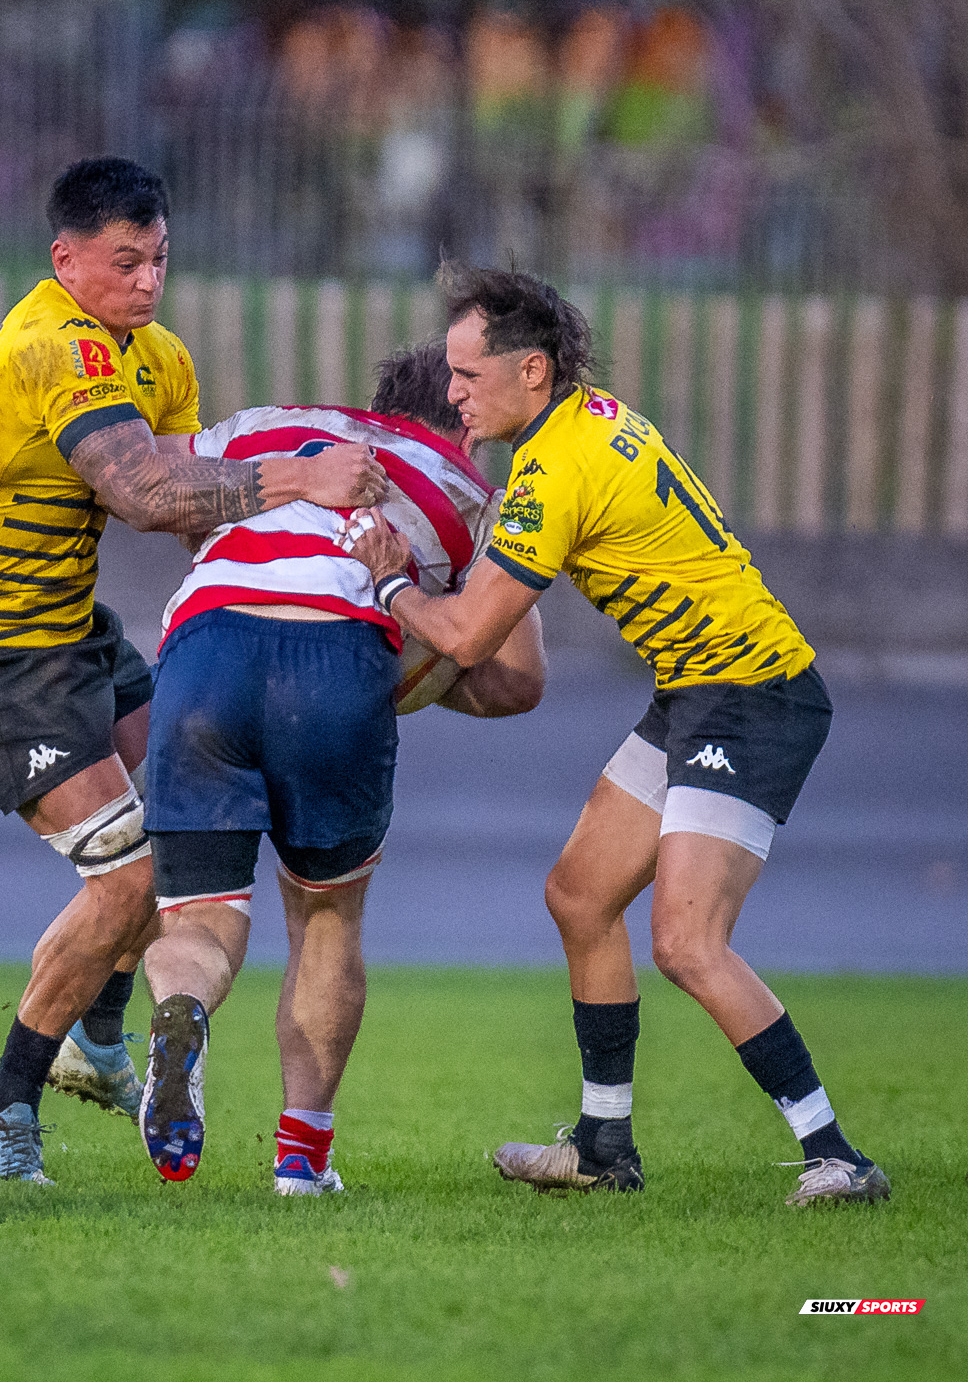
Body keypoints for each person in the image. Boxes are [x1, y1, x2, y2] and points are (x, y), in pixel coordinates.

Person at [344, 262, 889, 1209]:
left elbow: (472, 636)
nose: (454, 393)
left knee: (685, 941)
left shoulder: (553, 469)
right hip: (697, 689)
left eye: (470, 375)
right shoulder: (589, 418)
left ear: (535, 372)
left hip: (753, 691)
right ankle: (603, 1148)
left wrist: (393, 584)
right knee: (580, 896)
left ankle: (837, 1156)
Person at [0, 155, 386, 1185]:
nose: (147, 281)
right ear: (64, 258)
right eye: (124, 261)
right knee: (126, 881)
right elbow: (144, 494)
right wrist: (300, 475)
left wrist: (333, 585)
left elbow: (195, 509)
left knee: (177, 830)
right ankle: (5, 1097)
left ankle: (100, 1041)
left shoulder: (155, 356)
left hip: (75, 632)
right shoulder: (53, 348)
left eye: (160, 257)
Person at [136, 342, 546, 1194]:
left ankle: (180, 1017)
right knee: (325, 922)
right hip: (340, 661)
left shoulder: (259, 427)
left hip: (204, 646)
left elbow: (171, 503)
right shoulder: (472, 493)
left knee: (199, 922)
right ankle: (300, 1164)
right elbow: (515, 684)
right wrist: (416, 665)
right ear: (462, 412)